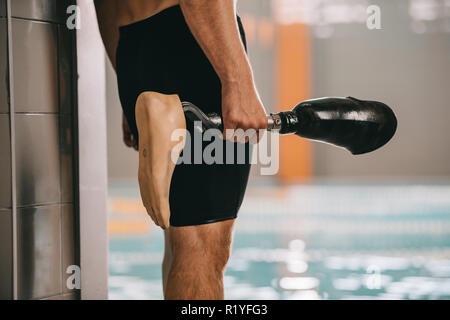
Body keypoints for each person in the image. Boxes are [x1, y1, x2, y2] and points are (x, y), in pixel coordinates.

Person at [94, 0, 267, 299]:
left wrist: (129, 81)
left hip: (133, 43)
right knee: (202, 246)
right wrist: (236, 80)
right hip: (192, 43)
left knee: (180, 239)